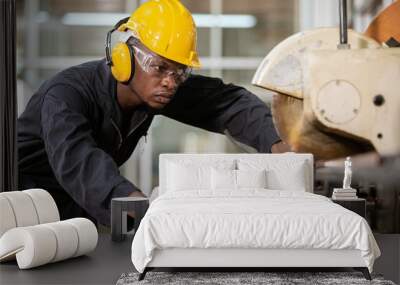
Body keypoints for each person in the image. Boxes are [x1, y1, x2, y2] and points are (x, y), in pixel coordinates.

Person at [17, 0, 289, 226]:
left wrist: (278, 145)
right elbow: (79, 163)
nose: (171, 82)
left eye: (179, 72)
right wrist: (135, 203)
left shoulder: (154, 86)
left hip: (75, 212)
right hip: (19, 209)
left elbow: (227, 102)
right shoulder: (66, 95)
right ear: (124, 57)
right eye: (159, 67)